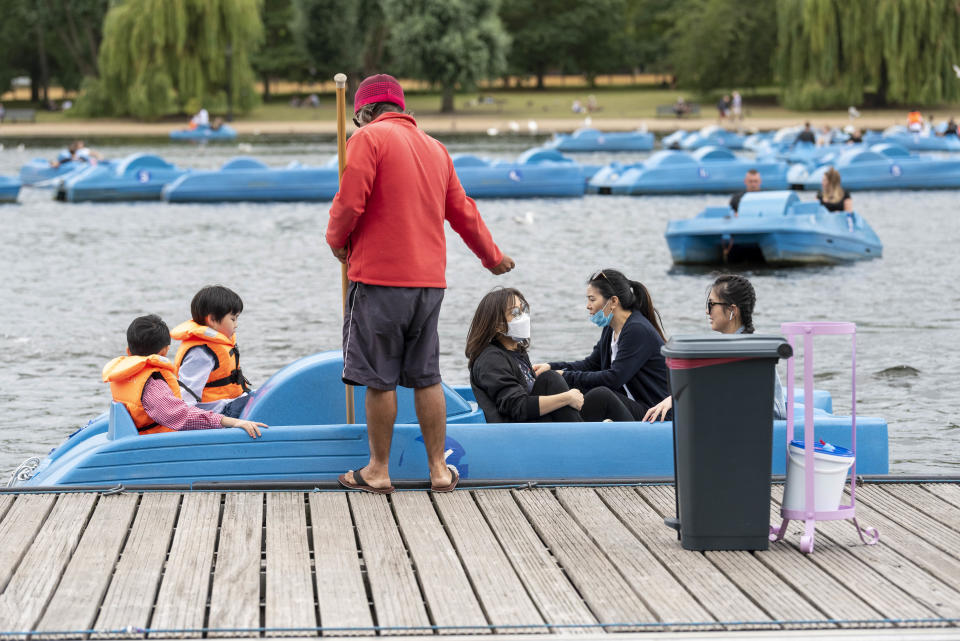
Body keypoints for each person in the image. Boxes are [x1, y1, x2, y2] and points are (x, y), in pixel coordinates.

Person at [326, 73, 514, 494]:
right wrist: (492, 256)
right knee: (427, 376)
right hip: (429, 284)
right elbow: (462, 211)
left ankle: (377, 469)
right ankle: (438, 470)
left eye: (360, 119)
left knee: (380, 379)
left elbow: (350, 200)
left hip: (379, 278)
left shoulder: (368, 139)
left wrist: (336, 241)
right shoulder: (436, 149)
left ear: (367, 112)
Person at [466, 288, 631, 423]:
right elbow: (518, 407)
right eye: (515, 313)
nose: (523, 316)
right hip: (520, 435)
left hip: (546, 424)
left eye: (524, 309)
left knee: (601, 396)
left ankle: (638, 441)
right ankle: (583, 440)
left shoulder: (517, 352)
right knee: (549, 379)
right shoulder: (491, 359)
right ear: (497, 325)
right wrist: (566, 398)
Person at [643, 275, 786, 422]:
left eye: (711, 304)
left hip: (766, 426)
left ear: (732, 310)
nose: (707, 311)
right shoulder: (733, 344)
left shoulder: (749, 347)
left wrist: (678, 398)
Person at [533, 269, 670, 421]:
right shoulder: (611, 328)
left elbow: (614, 378)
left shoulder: (636, 330)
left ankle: (572, 437)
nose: (588, 306)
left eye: (592, 299)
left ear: (613, 301)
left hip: (654, 413)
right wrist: (552, 367)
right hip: (634, 406)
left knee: (601, 396)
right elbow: (591, 364)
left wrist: (566, 376)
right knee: (576, 389)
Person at [102, 314, 265, 437]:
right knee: (256, 402)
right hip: (160, 444)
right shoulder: (152, 384)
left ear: (128, 351)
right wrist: (233, 422)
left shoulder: (125, 375)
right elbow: (182, 416)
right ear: (165, 351)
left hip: (147, 436)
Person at [171, 285, 252, 419]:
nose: (236, 324)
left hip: (231, 402)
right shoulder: (201, 353)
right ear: (212, 320)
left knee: (267, 395)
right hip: (220, 411)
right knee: (269, 406)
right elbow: (187, 396)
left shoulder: (218, 343)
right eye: (233, 319)